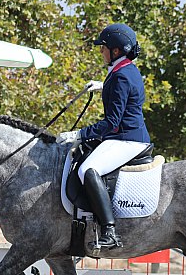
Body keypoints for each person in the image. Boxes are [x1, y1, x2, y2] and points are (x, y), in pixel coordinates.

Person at [60, 23, 151, 250]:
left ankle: (109, 231)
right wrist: (103, 86)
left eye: (104, 48)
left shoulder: (121, 76)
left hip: (127, 138)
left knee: (87, 170)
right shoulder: (126, 69)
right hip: (128, 134)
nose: (101, 52)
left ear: (116, 51)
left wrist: (79, 134)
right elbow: (127, 89)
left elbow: (111, 123)